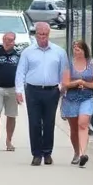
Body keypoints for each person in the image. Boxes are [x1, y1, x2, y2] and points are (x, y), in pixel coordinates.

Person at [14, 21, 67, 165]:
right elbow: (20, 72)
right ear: (35, 35)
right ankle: (36, 154)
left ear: (49, 34)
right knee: (35, 123)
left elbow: (64, 72)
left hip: (51, 91)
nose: (42, 37)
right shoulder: (28, 52)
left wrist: (63, 87)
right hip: (33, 90)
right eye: (39, 34)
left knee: (49, 123)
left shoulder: (59, 52)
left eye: (45, 34)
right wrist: (18, 90)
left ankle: (47, 152)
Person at [60, 39, 93, 166]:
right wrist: (77, 82)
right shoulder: (69, 64)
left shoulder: (91, 64)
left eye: (79, 49)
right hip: (71, 98)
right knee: (74, 128)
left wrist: (85, 84)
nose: (76, 51)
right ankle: (76, 152)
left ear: (84, 50)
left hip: (86, 97)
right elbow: (65, 83)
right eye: (74, 49)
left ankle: (83, 154)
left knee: (83, 124)